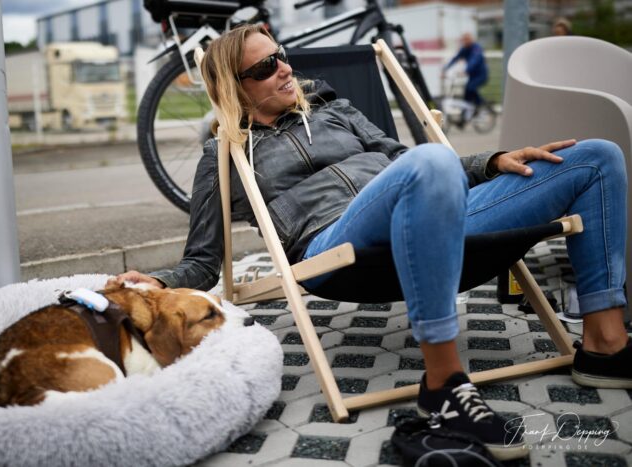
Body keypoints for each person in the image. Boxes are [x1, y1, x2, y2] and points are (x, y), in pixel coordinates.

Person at [109, 25, 630, 460]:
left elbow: (411, 164)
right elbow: (203, 259)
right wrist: (157, 281)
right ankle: (444, 386)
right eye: (266, 67)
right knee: (429, 160)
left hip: (434, 217)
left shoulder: (334, 111)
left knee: (597, 157)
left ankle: (605, 346)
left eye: (281, 56)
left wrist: (491, 162)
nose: (285, 69)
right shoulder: (225, 152)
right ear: (235, 87)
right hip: (336, 246)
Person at [443, 32, 488, 123]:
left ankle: (481, 105)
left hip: (480, 75)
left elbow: (474, 60)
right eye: (463, 41)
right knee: (466, 94)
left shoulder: (476, 48)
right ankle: (466, 115)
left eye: (466, 40)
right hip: (472, 75)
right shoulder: (464, 49)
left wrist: (466, 70)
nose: (464, 42)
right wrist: (445, 69)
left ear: (470, 40)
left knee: (470, 88)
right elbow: (455, 58)